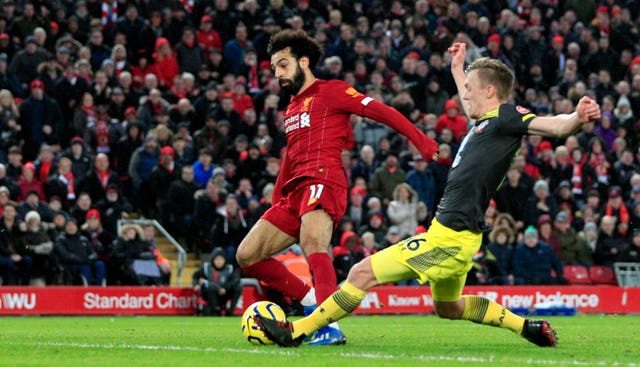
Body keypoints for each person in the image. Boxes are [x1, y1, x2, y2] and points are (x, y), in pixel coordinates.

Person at [256, 42, 601, 348]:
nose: (464, 95)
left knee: (361, 274)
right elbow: (470, 106)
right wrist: (457, 67)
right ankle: (526, 327)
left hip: (449, 237)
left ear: (491, 91)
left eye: (469, 88)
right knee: (448, 307)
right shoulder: (486, 123)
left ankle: (298, 330)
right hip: (458, 235)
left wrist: (576, 117)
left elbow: (553, 125)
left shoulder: (508, 116)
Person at [235, 29, 438, 346]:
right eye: (274, 67)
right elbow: (291, 154)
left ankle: (329, 327)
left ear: (304, 61)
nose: (277, 73)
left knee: (313, 242)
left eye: (283, 65)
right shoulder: (291, 107)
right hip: (294, 192)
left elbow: (381, 111)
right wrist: (277, 200)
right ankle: (312, 300)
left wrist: (420, 141)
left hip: (323, 178)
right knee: (247, 255)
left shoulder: (333, 91)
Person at [192, 247, 241, 316]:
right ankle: (215, 309)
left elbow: (235, 280)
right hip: (209, 294)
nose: (219, 262)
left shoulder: (230, 269)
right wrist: (195, 284)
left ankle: (230, 311)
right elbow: (195, 276)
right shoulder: (206, 268)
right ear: (213, 260)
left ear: (224, 260)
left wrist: (225, 288)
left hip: (224, 293)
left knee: (238, 287)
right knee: (211, 287)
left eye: (221, 259)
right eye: (217, 259)